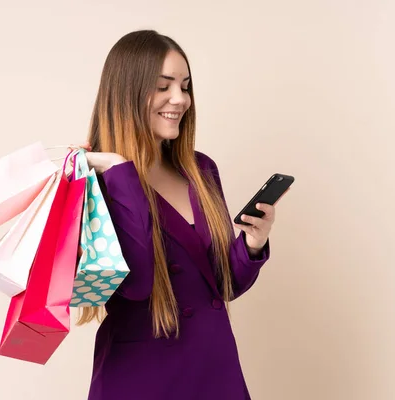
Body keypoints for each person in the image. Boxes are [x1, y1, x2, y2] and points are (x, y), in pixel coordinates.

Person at [71, 30, 279, 400]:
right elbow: (136, 284)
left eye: (185, 86)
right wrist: (122, 172)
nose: (179, 99)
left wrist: (252, 243)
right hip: (140, 379)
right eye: (163, 86)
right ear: (127, 92)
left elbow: (222, 285)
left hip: (215, 370)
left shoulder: (200, 170)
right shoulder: (95, 182)